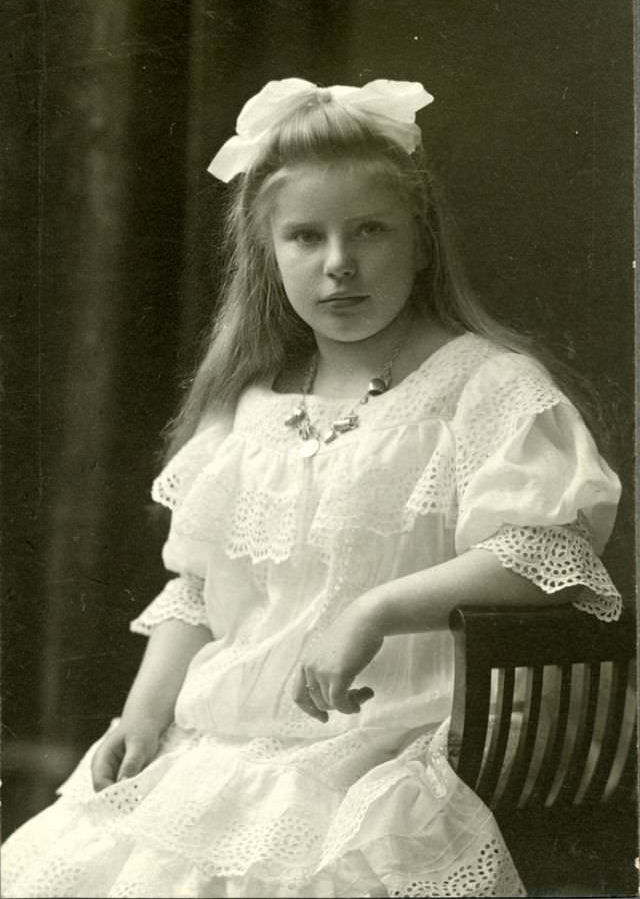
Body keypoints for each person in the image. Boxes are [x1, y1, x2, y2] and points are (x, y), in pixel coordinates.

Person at [2, 78, 623, 898]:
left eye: (370, 229)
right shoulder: (250, 409)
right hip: (225, 747)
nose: (339, 265)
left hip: (394, 744)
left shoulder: (483, 387)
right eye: (305, 237)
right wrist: (141, 716)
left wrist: (374, 610)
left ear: (423, 240)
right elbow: (198, 590)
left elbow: (542, 552)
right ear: (270, 253)